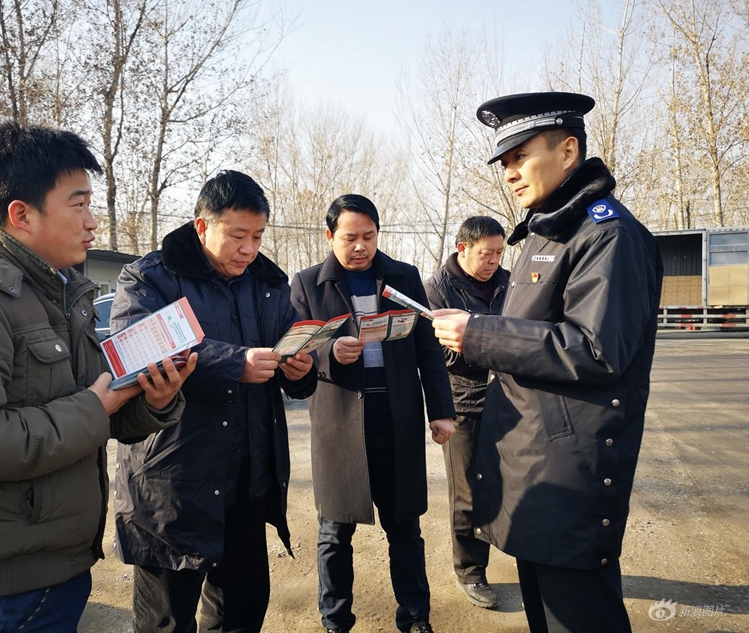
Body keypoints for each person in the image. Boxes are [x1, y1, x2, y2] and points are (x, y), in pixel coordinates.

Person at [0, 121, 191, 633]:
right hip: (1, 592)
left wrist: (155, 399)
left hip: (53, 568)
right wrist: (95, 408)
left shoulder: (56, 294)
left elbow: (95, 408)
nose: (92, 222)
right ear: (21, 214)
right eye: (78, 204)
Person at [431, 92, 663, 633]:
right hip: (534, 464)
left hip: (571, 466)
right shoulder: (548, 229)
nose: (511, 174)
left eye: (521, 157)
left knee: (578, 617)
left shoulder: (606, 233)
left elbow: (595, 348)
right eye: (505, 163)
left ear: (567, 150)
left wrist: (480, 335)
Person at [110, 170, 317, 633]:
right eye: (238, 235)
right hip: (174, 485)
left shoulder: (266, 282)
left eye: (258, 236)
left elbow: (290, 342)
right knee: (167, 621)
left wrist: (303, 370)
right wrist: (234, 362)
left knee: (241, 613)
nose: (249, 249)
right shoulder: (150, 278)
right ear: (203, 227)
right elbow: (139, 348)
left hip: (247, 479)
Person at [290, 194, 456, 633]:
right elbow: (296, 348)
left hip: (396, 416)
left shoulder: (403, 277)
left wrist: (440, 411)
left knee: (404, 528)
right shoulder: (309, 284)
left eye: (368, 236)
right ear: (329, 237)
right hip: (339, 422)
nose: (360, 246)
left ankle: (416, 617)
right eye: (350, 238)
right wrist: (329, 352)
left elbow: (428, 350)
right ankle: (335, 621)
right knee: (334, 533)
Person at [424, 215, 509, 609]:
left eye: (498, 252)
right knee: (468, 491)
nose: (493, 260)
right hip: (464, 403)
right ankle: (471, 571)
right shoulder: (437, 289)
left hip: (511, 398)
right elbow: (441, 353)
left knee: (515, 480)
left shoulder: (510, 281)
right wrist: (497, 345)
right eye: (485, 252)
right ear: (463, 248)